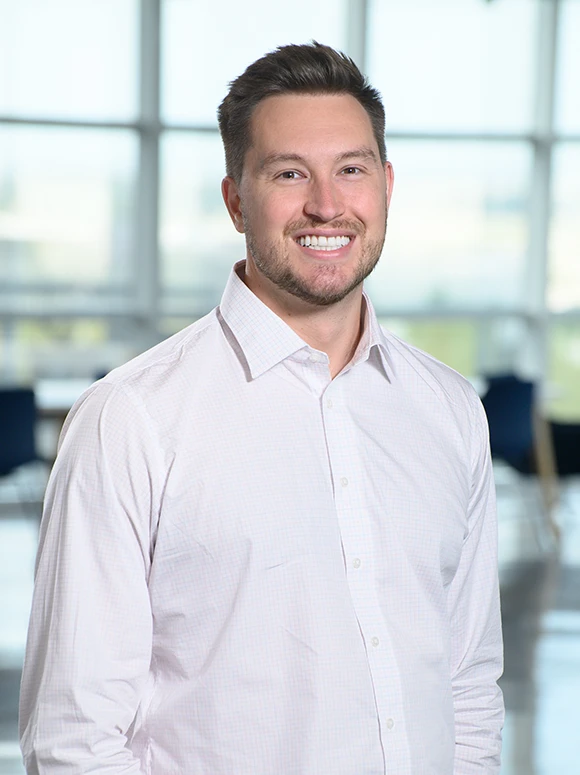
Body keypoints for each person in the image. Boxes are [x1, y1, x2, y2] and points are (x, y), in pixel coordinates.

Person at [19, 42, 504, 774]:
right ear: (236, 199)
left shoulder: (450, 410)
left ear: (386, 185)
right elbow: (74, 739)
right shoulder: (131, 420)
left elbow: (467, 685)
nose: (327, 205)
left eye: (351, 169)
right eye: (289, 173)